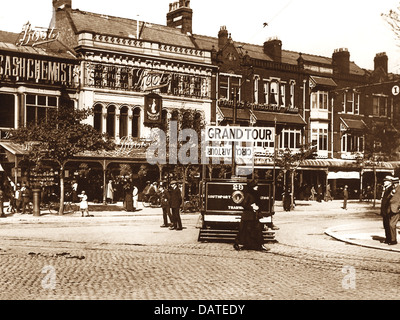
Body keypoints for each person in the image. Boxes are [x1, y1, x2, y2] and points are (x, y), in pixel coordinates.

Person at [234, 180, 269, 252]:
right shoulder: (248, 195)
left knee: (252, 230)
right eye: (255, 186)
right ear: (252, 187)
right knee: (246, 231)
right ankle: (258, 245)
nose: (257, 187)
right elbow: (244, 204)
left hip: (253, 216)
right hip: (248, 216)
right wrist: (252, 207)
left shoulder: (254, 194)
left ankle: (256, 245)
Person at [381, 176, 395, 244]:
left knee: (388, 225)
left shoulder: (391, 189)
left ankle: (390, 239)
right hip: (384, 210)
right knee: (385, 225)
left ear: (389, 182)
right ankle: (387, 238)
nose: (384, 182)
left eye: (386, 181)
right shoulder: (386, 189)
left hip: (388, 210)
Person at [388, 177, 400, 245]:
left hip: (396, 209)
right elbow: (389, 198)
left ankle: (393, 240)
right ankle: (392, 239)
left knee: (392, 224)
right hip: (391, 209)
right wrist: (391, 194)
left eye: (395, 183)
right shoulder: (393, 189)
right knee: (391, 225)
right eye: (393, 183)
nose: (394, 185)